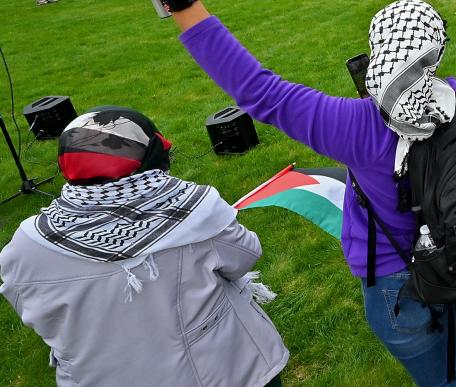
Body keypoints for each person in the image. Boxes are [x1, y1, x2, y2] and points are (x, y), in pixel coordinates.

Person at [111, 0, 456, 385]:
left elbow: (260, 91)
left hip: (401, 281)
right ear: (437, 51)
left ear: (380, 55)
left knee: (447, 380)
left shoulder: (358, 127)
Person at [0, 108, 288, 387]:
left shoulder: (26, 243)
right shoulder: (193, 210)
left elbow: (32, 309)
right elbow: (245, 256)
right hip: (222, 371)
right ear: (152, 155)